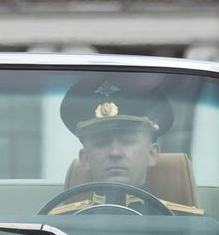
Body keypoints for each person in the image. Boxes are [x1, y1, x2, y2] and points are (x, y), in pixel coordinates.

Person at [47, 79, 206, 215]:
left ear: (152, 154)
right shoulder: (57, 229)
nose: (115, 152)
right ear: (85, 159)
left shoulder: (189, 226)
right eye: (102, 143)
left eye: (128, 141)